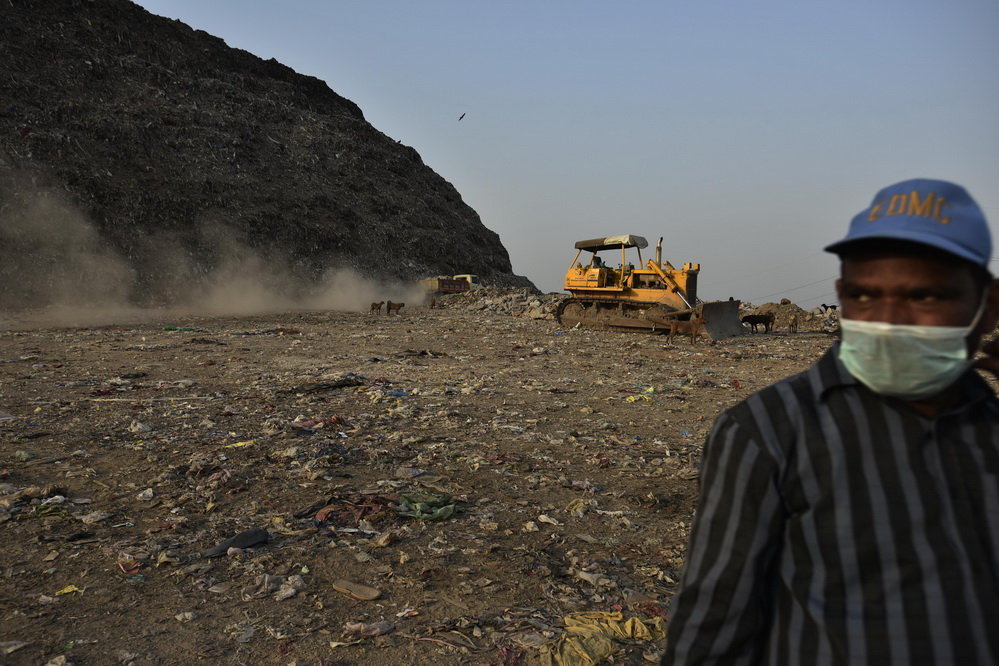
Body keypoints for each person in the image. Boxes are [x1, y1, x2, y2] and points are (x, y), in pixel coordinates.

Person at [662, 178, 999, 665]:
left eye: (925, 297)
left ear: (988, 306)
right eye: (865, 296)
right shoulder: (769, 434)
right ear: (842, 294)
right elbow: (710, 635)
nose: (888, 322)